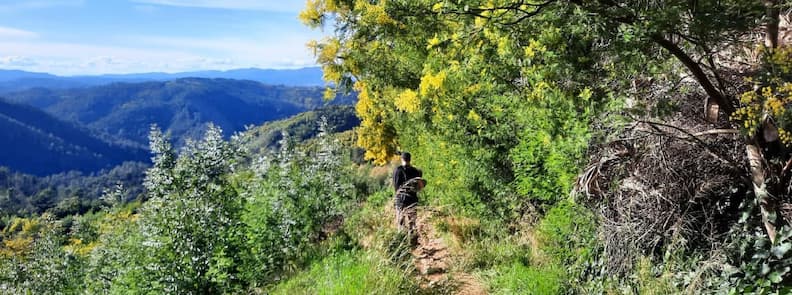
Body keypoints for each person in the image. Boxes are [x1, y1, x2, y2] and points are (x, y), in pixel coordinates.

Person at [393, 152, 425, 243]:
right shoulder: (415, 171)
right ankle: (413, 241)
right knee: (412, 222)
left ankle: (402, 243)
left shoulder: (397, 170)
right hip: (412, 200)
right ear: (410, 159)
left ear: (401, 159)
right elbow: (419, 187)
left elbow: (396, 187)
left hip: (401, 201)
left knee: (401, 223)